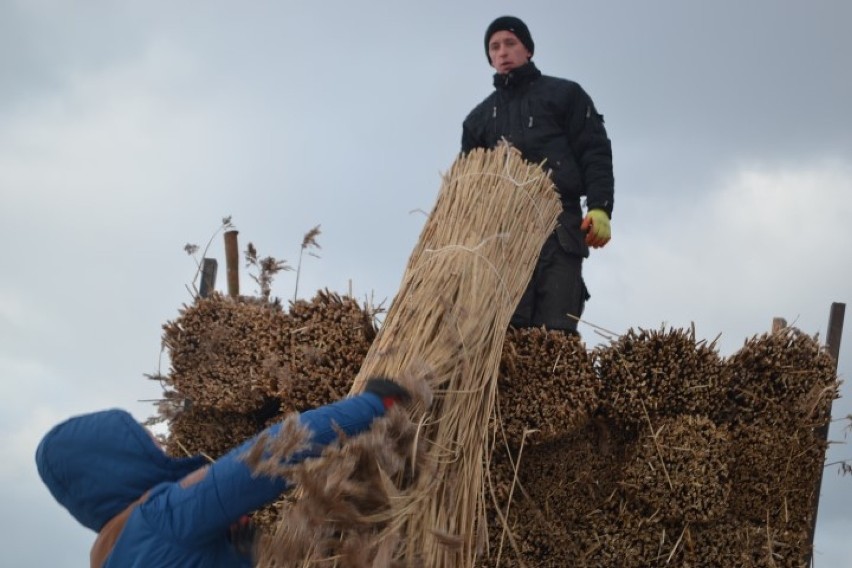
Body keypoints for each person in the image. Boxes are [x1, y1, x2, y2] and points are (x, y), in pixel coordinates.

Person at [35, 378, 409, 567]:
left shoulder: (116, 557)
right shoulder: (161, 518)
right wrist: (375, 403)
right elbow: (271, 453)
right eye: (148, 443)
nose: (162, 448)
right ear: (122, 467)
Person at [462, 16, 615, 334]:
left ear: (528, 50)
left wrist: (600, 208)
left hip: (560, 227)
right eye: (494, 46)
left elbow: (594, 151)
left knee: (556, 328)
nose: (502, 51)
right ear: (489, 57)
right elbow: (468, 189)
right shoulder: (477, 121)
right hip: (502, 236)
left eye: (510, 43)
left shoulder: (565, 95)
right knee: (507, 330)